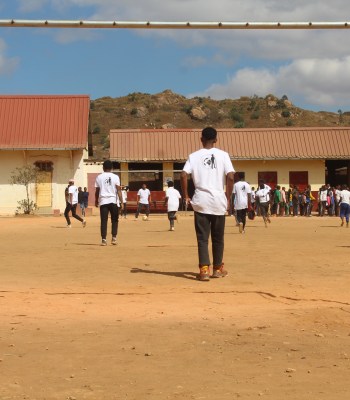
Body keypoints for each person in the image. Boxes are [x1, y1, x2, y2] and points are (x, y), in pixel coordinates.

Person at [180, 126, 235, 281]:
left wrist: (186, 195)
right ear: (216, 139)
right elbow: (230, 177)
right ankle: (217, 269)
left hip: (201, 201)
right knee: (218, 238)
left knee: (202, 238)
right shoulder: (223, 155)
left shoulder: (193, 156)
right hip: (218, 201)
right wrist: (228, 198)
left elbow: (183, 174)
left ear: (201, 139)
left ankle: (204, 270)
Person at [95, 160, 123, 246]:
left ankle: (104, 240)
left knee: (103, 221)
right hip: (113, 201)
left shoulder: (99, 177)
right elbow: (118, 190)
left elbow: (97, 190)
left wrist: (96, 200)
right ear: (112, 168)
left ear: (103, 168)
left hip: (103, 201)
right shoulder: (116, 177)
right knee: (114, 220)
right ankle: (114, 238)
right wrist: (121, 202)